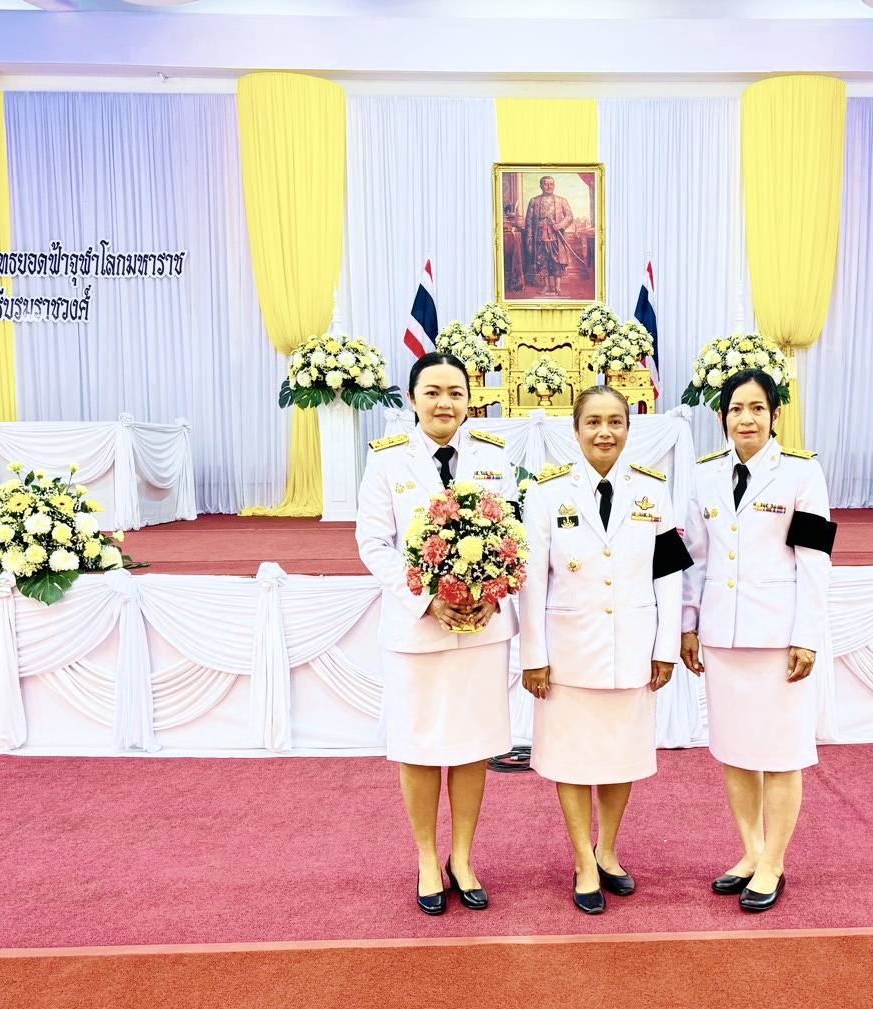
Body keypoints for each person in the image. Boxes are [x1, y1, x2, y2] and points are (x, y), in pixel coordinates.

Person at [355, 351, 516, 916]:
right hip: (417, 630)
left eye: (455, 392)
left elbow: (514, 532)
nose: (444, 402)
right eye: (433, 392)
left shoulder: (497, 456)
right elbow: (373, 544)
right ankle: (427, 856)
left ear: (470, 399)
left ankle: (464, 857)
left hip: (481, 627)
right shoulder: (387, 461)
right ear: (413, 399)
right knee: (420, 746)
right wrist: (428, 602)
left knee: (473, 747)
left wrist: (487, 593)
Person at [520, 386, 691, 914]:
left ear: (628, 429)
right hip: (569, 652)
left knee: (621, 758)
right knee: (572, 761)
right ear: (575, 432)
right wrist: (533, 655)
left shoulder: (653, 492)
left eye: (615, 422)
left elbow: (668, 575)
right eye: (593, 422)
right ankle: (582, 860)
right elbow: (531, 580)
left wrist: (665, 646)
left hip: (633, 648)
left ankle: (609, 850)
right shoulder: (547, 493)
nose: (604, 432)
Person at [680, 368, 835, 913]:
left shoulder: (801, 474)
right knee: (737, 753)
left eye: (756, 409)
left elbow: (815, 561)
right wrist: (688, 625)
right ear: (721, 416)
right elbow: (695, 559)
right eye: (735, 408)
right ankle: (750, 852)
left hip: (778, 639)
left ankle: (774, 861)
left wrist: (807, 636)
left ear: (774, 416)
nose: (745, 418)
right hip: (723, 637)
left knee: (782, 754)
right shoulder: (702, 476)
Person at [523, 175, 575, 296]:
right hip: (540, 236)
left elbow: (569, 216)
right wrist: (529, 236)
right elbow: (529, 221)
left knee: (556, 261)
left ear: (554, 185)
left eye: (551, 184)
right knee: (542, 260)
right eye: (546, 184)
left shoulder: (561, 200)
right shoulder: (534, 201)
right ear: (541, 185)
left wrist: (560, 225)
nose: (549, 186)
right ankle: (546, 286)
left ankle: (557, 287)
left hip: (556, 237)